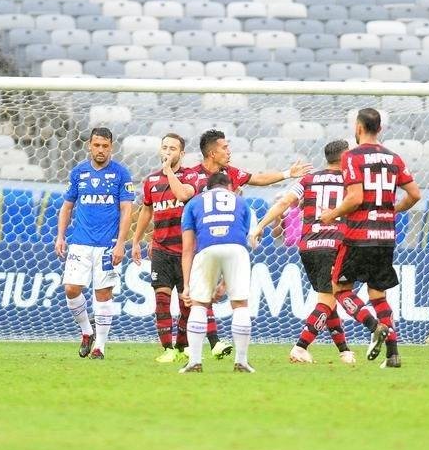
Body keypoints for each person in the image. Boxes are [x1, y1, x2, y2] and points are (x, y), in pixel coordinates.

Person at [183, 128, 310, 360]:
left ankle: (196, 356)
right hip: (194, 240)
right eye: (224, 147)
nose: (228, 151)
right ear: (211, 153)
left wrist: (286, 173)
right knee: (199, 300)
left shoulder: (230, 173)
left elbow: (258, 179)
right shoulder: (190, 176)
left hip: (209, 245)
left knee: (198, 299)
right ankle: (195, 350)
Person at [317, 108, 421, 368]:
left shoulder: (351, 156)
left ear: (359, 128)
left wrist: (332, 215)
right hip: (385, 236)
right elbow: (415, 195)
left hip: (358, 234)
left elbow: (355, 198)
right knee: (378, 295)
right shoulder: (394, 158)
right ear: (380, 129)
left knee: (340, 289)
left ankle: (374, 326)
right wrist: (391, 210)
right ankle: (393, 355)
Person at [250, 140, 355, 365]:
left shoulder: (307, 179)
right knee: (327, 300)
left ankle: (344, 352)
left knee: (328, 300)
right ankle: (300, 347)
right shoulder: (351, 181)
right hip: (334, 245)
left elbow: (284, 203)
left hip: (308, 247)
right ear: (344, 157)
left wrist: (260, 226)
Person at [55, 127, 134, 360]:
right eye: (96, 145)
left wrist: (121, 243)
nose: (100, 150)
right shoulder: (78, 173)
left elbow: (127, 210)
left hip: (107, 244)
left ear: (111, 147)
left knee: (103, 294)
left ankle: (100, 346)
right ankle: (86, 332)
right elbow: (67, 206)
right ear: (89, 145)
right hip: (80, 242)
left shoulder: (121, 174)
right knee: (71, 288)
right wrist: (60, 236)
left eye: (105, 146)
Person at [179, 170, 258, 373]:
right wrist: (225, 284)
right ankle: (241, 362)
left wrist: (187, 286)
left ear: (208, 188)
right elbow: (246, 239)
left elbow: (188, 248)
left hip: (206, 250)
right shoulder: (241, 202)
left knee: (198, 304)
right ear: (230, 187)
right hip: (237, 250)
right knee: (240, 304)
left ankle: (195, 362)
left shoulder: (194, 203)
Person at [131, 133, 196, 363]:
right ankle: (167, 348)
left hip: (186, 251)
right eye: (165, 147)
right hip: (160, 248)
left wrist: (169, 171)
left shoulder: (192, 177)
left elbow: (183, 195)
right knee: (161, 299)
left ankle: (182, 345)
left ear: (182, 153)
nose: (168, 152)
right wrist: (137, 240)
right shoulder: (150, 181)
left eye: (173, 148)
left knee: (186, 300)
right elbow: (147, 210)